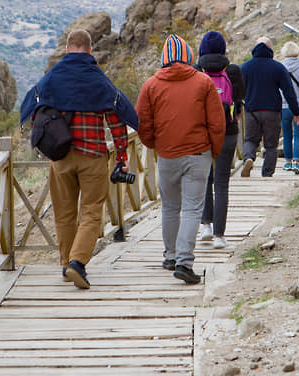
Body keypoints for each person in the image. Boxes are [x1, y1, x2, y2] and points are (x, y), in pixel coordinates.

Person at [19, 29, 138, 289]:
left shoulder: (52, 78)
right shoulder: (97, 79)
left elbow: (35, 109)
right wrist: (121, 155)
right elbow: (116, 118)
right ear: (90, 50)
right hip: (92, 154)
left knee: (64, 213)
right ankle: (78, 263)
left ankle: (65, 265)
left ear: (67, 48)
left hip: (60, 157)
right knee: (92, 212)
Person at [136, 34, 225, 284]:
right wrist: (213, 151)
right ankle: (185, 262)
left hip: (167, 155)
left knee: (170, 206)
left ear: (164, 57)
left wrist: (156, 144)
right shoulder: (203, 82)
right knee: (192, 208)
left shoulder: (151, 85)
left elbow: (142, 123)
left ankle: (170, 256)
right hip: (198, 154)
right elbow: (216, 123)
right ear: (188, 56)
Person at [195, 31, 244, 249]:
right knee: (222, 183)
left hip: (202, 133)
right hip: (228, 131)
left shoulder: (195, 72)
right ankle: (219, 236)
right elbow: (240, 106)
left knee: (205, 179)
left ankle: (205, 226)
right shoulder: (233, 71)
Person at [239, 36, 299, 178]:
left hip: (251, 110)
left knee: (250, 140)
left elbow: (238, 91)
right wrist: (296, 112)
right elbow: (289, 92)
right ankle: (267, 173)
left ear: (254, 48)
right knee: (271, 145)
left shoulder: (245, 67)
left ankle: (248, 158)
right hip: (272, 111)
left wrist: (238, 108)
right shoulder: (278, 67)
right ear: (271, 49)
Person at [278, 41, 299, 175]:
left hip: (284, 105)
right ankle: (296, 162)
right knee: (298, 135)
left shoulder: (279, 67)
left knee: (286, 135)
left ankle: (287, 161)